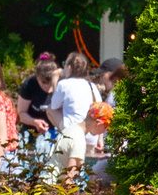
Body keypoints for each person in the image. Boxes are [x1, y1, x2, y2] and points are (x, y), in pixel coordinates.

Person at [51, 50, 98, 185]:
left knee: (49, 109)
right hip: (91, 138)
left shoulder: (64, 84)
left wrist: (55, 81)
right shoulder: (92, 86)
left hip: (72, 136)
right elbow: (99, 110)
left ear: (69, 68)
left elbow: (54, 105)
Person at [17, 51, 60, 154]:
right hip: (32, 135)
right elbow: (21, 114)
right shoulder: (30, 85)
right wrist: (34, 122)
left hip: (55, 135)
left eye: (50, 83)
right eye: (44, 83)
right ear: (37, 77)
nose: (47, 86)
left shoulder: (62, 84)